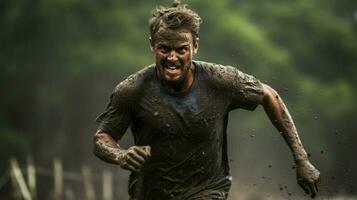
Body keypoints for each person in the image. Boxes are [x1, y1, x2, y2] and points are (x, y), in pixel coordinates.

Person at [93, 1, 320, 199]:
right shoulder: (133, 90)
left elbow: (270, 96)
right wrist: (121, 154)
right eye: (164, 49)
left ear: (195, 46)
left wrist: (301, 159)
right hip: (150, 193)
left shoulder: (221, 81)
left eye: (181, 50)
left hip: (208, 190)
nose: (172, 58)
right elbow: (102, 138)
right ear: (152, 45)